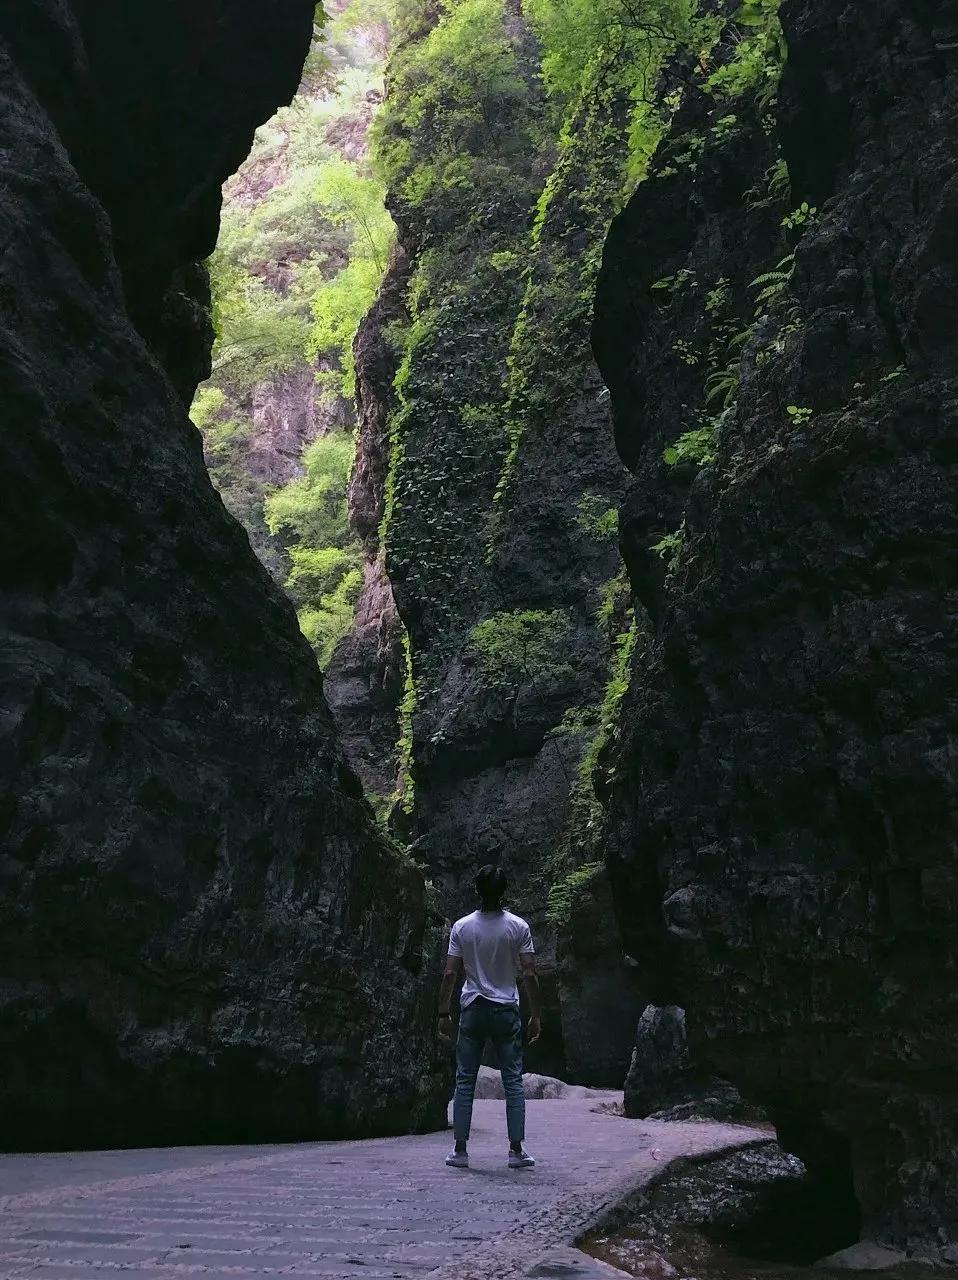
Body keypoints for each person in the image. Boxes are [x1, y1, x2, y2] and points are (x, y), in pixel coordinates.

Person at [437, 864, 542, 1170]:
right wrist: (536, 1013)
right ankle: (516, 1151)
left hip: (473, 1007)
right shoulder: (518, 927)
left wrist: (443, 1011)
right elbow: (530, 973)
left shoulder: (462, 927)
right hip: (506, 1008)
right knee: (512, 1080)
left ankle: (460, 1150)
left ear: (477, 891)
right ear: (504, 891)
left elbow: (450, 973)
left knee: (465, 1079)